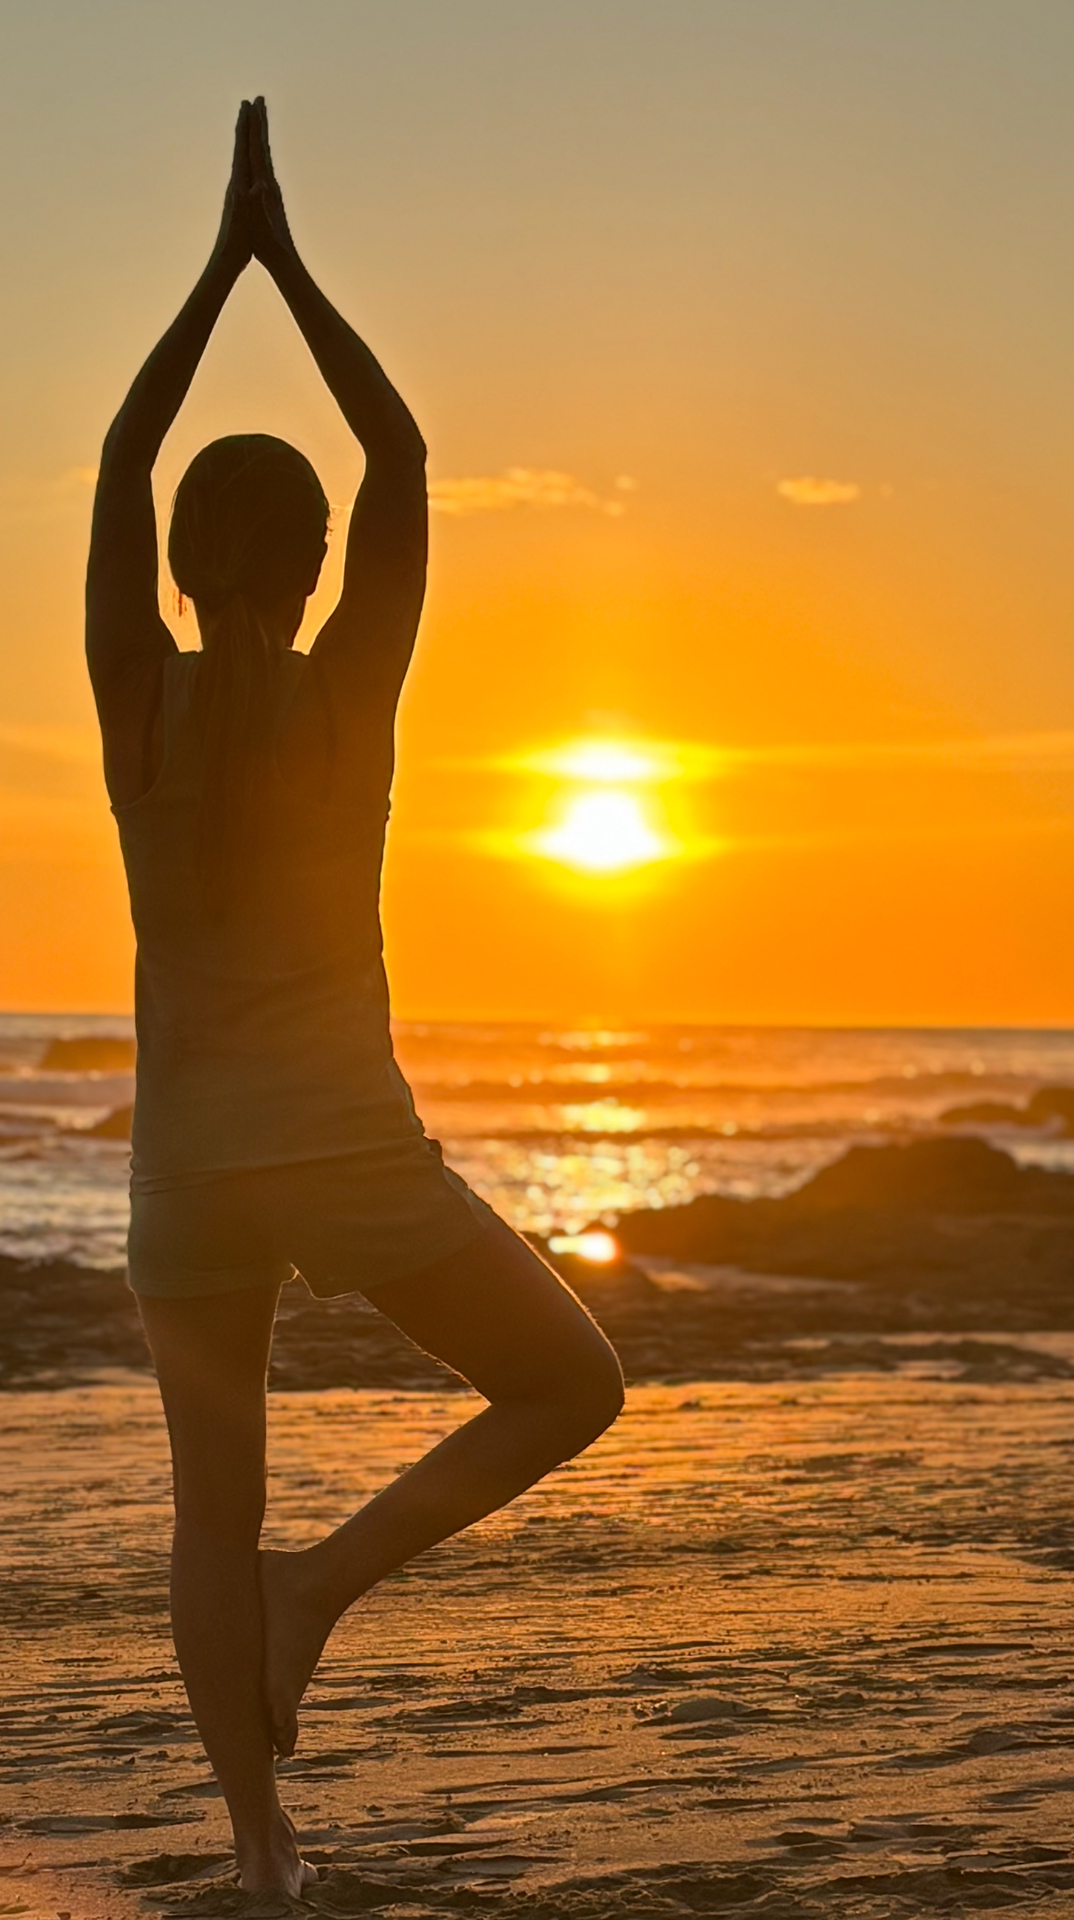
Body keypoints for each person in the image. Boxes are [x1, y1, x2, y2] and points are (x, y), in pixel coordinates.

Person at [85, 100, 623, 1899]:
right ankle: (327, 1585)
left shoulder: (136, 711)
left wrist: (208, 274)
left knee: (200, 1518)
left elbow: (116, 455)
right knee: (566, 1385)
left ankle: (261, 1857)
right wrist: (284, 265)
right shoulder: (350, 703)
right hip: (345, 1144)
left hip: (189, 1167)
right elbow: (396, 447)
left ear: (175, 567)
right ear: (317, 568)